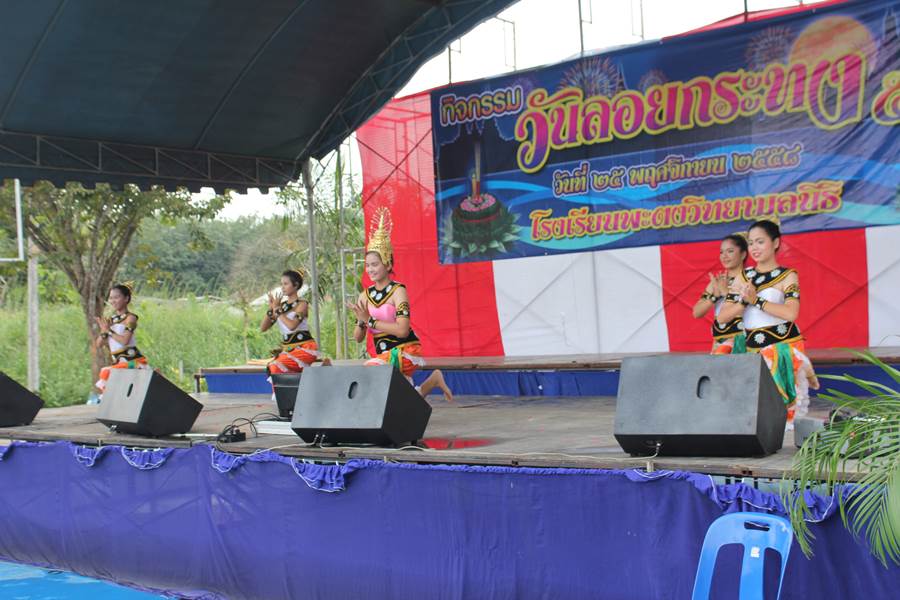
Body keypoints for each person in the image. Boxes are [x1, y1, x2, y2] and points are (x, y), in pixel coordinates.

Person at [718, 219, 819, 427]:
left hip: (780, 348)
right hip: (750, 350)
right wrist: (743, 302)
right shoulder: (744, 276)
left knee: (784, 412)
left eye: (760, 241)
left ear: (775, 243)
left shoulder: (787, 276)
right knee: (752, 412)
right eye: (751, 243)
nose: (754, 248)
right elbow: (722, 317)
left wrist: (756, 300)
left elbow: (791, 313)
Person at [349, 208, 453, 401]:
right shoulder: (364, 296)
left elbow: (402, 330)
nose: (370, 269)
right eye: (367, 265)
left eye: (375, 264)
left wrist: (370, 320)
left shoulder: (398, 291)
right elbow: (357, 338)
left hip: (405, 350)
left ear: (388, 264)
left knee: (370, 370)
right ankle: (433, 381)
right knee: (402, 401)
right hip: (384, 355)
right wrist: (361, 321)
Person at [261, 269, 325, 376]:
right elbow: (263, 328)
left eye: (286, 284)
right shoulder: (281, 306)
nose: (282, 287)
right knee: (272, 369)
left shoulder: (302, 304)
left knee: (275, 366)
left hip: (305, 349)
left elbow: (292, 326)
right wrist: (271, 308)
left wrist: (277, 310)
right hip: (289, 350)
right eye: (282, 284)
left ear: (295, 285)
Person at [692, 234, 749, 354]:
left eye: (730, 251)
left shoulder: (750, 278)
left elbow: (753, 307)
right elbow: (696, 313)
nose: (724, 256)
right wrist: (714, 297)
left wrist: (726, 292)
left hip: (744, 339)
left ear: (743, 254)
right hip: (720, 341)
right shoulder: (717, 281)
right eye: (721, 252)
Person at [92, 283, 149, 402]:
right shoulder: (110, 320)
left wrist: (109, 330)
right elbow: (99, 344)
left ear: (126, 298)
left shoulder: (131, 318)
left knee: (106, 372)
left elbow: (125, 341)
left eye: (116, 297)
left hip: (132, 361)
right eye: (111, 298)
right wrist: (104, 331)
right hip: (118, 362)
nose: (113, 301)